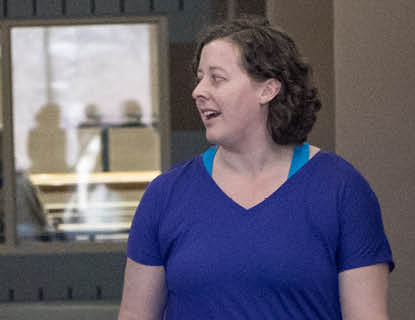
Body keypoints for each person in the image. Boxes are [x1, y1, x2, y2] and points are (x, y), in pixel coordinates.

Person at [118, 17, 395, 320]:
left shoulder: (341, 189)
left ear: (268, 90)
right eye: (199, 78)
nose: (198, 91)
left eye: (217, 78)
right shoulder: (166, 195)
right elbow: (135, 314)